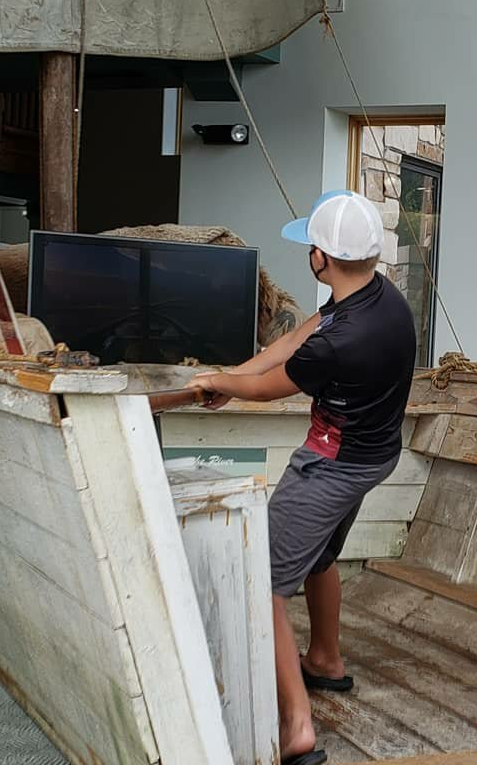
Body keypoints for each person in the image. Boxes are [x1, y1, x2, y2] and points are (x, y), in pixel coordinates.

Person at [189, 191, 416, 765]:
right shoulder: (381, 299)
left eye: (312, 246)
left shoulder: (339, 344)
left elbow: (273, 386)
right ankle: (325, 660)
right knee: (318, 556)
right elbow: (293, 339)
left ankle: (295, 726)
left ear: (321, 258)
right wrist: (226, 375)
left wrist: (230, 387)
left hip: (332, 463)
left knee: (261, 581)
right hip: (375, 455)